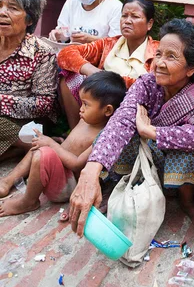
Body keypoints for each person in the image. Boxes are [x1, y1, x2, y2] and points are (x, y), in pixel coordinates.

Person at [68, 18, 194, 236]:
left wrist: (152, 132)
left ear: (192, 68)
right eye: (158, 54)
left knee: (192, 147)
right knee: (118, 132)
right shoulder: (148, 84)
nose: (158, 63)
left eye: (171, 56)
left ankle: (187, 202)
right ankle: (123, 189)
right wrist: (90, 172)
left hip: (175, 166)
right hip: (146, 157)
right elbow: (120, 122)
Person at [0, 72, 126, 216]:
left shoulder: (103, 136)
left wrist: (51, 146)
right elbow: (73, 144)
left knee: (44, 152)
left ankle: (28, 201)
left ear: (108, 110)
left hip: (67, 185)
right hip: (58, 169)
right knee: (41, 144)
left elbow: (77, 163)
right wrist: (57, 143)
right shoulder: (86, 119)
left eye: (86, 104)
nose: (81, 108)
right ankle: (8, 181)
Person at [57, 0, 158, 129]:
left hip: (133, 107)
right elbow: (66, 54)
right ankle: (75, 128)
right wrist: (94, 72)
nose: (127, 21)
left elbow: (155, 84)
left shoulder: (157, 50)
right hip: (100, 102)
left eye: (135, 16)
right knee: (70, 77)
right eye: (124, 16)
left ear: (149, 24)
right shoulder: (110, 44)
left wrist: (111, 81)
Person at [0, 0, 58, 162]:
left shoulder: (41, 52)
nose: (2, 12)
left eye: (13, 8)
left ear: (30, 19)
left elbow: (44, 104)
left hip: (22, 122)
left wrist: (2, 102)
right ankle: (21, 148)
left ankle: (26, 144)